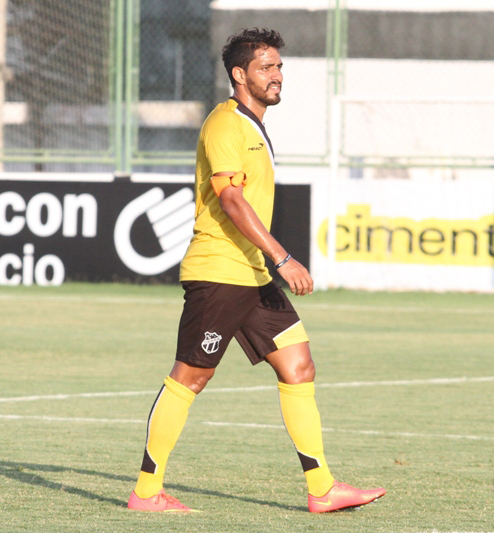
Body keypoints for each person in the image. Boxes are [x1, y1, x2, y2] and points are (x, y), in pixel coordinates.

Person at [127, 27, 386, 514]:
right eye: (267, 67)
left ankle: (322, 488)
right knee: (190, 378)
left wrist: (268, 263)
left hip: (251, 274)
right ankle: (145, 492)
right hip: (221, 272)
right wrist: (283, 258)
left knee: (299, 365)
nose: (277, 75)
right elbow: (230, 198)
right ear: (239, 74)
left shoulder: (252, 124)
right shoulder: (225, 125)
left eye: (280, 66)